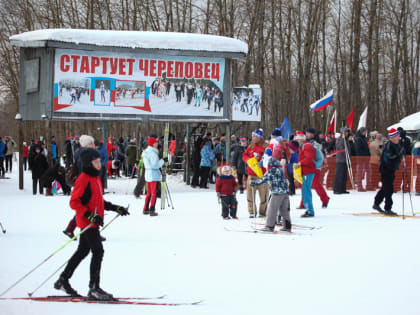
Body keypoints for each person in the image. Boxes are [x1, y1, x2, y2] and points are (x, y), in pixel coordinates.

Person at [54, 148, 129, 300]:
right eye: (95, 162)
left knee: (82, 251)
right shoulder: (83, 179)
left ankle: (63, 279)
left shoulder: (95, 178)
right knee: (98, 251)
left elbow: (98, 201)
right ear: (88, 163)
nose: (99, 164)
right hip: (87, 222)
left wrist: (115, 208)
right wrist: (90, 215)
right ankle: (94, 288)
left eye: (99, 161)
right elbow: (74, 202)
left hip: (93, 221)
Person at [250, 157, 292, 232]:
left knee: (272, 209)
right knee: (284, 210)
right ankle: (287, 226)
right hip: (285, 193)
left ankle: (269, 226)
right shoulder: (280, 170)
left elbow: (263, 180)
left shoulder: (271, 170)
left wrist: (254, 183)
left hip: (277, 193)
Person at [373, 128, 402, 216]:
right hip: (386, 170)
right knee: (389, 189)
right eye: (397, 136)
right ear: (393, 137)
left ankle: (376, 203)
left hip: (391, 169)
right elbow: (388, 158)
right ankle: (388, 208)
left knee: (385, 188)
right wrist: (398, 155)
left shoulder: (396, 144)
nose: (399, 137)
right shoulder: (389, 145)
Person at [242, 129, 269, 218]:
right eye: (252, 136)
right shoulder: (250, 146)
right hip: (251, 174)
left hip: (262, 175)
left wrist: (260, 158)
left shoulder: (266, 146)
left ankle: (262, 212)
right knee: (250, 195)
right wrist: (247, 160)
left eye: (255, 136)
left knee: (263, 196)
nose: (253, 138)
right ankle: (252, 212)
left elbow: (269, 157)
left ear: (260, 137)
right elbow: (244, 155)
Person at [295, 131, 316, 217]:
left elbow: (309, 159)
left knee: (306, 191)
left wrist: (300, 163)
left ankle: (310, 211)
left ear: (301, 139)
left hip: (308, 171)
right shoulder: (303, 146)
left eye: (297, 139)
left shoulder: (307, 146)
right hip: (305, 171)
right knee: (305, 191)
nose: (296, 141)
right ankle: (308, 209)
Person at [142, 136, 165, 216]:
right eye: (155, 142)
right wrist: (162, 161)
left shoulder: (146, 151)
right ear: (152, 144)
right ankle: (152, 209)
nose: (157, 143)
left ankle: (145, 209)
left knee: (149, 193)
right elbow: (155, 165)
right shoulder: (153, 153)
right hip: (153, 174)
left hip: (148, 173)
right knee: (153, 193)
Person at [333, 128, 351, 194]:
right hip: (341, 159)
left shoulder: (346, 140)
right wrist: (345, 154)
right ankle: (337, 189)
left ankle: (342, 188)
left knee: (344, 175)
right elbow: (340, 148)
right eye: (345, 132)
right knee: (339, 175)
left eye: (347, 132)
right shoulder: (340, 139)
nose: (347, 133)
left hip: (345, 159)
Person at [354, 127, 371, 191]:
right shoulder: (358, 139)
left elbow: (366, 148)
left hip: (366, 158)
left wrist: (368, 155)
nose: (365, 133)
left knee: (369, 171)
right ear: (361, 132)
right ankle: (359, 186)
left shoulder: (364, 138)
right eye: (364, 132)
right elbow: (358, 149)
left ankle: (368, 185)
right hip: (361, 158)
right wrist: (364, 155)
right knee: (360, 172)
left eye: (366, 132)